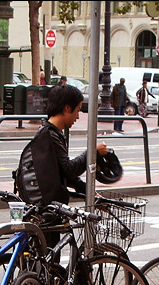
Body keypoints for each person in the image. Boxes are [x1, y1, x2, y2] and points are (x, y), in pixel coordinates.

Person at [28, 84, 108, 246]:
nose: (78, 116)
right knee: (47, 263)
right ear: (66, 108)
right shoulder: (50, 135)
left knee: (48, 263)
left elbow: (63, 174)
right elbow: (69, 169)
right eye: (78, 110)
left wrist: (88, 192)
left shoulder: (50, 133)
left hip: (46, 208)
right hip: (47, 210)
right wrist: (93, 152)